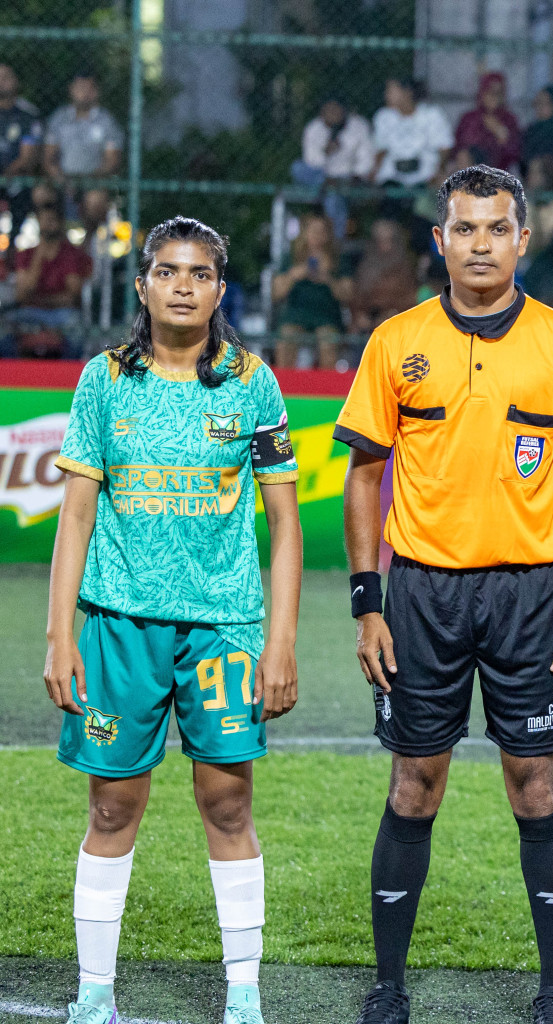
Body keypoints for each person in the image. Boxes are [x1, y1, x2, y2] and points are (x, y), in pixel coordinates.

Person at [335, 165, 553, 1024]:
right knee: (415, 782)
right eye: (465, 228)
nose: (482, 243)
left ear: (523, 239)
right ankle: (389, 986)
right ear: (441, 241)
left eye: (498, 228)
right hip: (421, 594)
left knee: (535, 784)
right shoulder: (397, 341)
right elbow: (365, 473)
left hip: (533, 595)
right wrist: (366, 599)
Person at [42, 216, 301, 1024]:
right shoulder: (104, 381)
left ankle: (244, 995)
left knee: (228, 803)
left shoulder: (252, 381)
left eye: (199, 274)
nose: (182, 286)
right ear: (144, 284)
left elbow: (285, 526)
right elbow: (76, 518)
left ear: (221, 290)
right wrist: (59, 635)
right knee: (112, 807)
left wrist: (282, 641)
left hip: (224, 629)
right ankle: (94, 996)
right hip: (119, 627)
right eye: (167, 271)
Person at [43, 72, 122, 233]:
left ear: (96, 91)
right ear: (71, 90)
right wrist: (62, 180)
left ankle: (88, 245)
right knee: (41, 194)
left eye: (89, 88)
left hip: (93, 183)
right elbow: (48, 158)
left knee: (95, 201)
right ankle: (57, 244)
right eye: (80, 88)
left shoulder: (107, 122)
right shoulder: (59, 119)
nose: (84, 93)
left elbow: (112, 162)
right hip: (61, 181)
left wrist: (86, 181)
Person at [271, 213, 351, 370]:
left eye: (322, 232)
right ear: (304, 233)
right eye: (313, 231)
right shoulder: (291, 258)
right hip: (295, 315)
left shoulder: (338, 260)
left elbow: (348, 295)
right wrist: (295, 274)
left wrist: (328, 279)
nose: (317, 236)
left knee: (328, 340)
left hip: (327, 317)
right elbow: (276, 293)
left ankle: (326, 391)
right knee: (286, 337)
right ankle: (284, 388)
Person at [11, 204, 91, 358]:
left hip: (60, 314)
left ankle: (70, 372)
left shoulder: (70, 255)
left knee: (75, 324)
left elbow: (73, 297)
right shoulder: (26, 254)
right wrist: (39, 256)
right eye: (44, 220)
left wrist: (38, 300)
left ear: (60, 223)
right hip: (30, 312)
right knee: (7, 327)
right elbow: (22, 294)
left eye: (52, 220)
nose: (48, 224)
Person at [292, 98, 374, 238]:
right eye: (329, 111)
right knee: (297, 168)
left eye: (336, 110)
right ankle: (327, 185)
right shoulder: (314, 129)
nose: (333, 114)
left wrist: (355, 175)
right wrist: (327, 152)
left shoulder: (358, 126)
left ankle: (336, 242)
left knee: (333, 196)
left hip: (346, 178)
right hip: (321, 178)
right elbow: (311, 161)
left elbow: (366, 160)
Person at [371, 78, 452, 190]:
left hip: (425, 176)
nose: (386, 95)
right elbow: (381, 149)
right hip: (393, 177)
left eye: (390, 90)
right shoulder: (384, 116)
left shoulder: (432, 114)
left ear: (407, 92)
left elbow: (444, 147)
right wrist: (373, 173)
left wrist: (438, 172)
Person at [348, 218, 419, 338]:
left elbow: (411, 300)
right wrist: (361, 316)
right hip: (368, 324)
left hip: (397, 322)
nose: (386, 246)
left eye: (390, 241)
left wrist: (392, 314)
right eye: (381, 241)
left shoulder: (405, 269)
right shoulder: (366, 268)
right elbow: (357, 299)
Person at [0, 64, 44, 227]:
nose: (1, 81)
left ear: (16, 81)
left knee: (24, 193)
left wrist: (6, 174)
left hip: (17, 178)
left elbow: (27, 158)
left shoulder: (28, 115)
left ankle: (13, 245)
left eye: (6, 77)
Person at [454, 72, 522, 171]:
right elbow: (458, 147)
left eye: (498, 93)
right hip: (470, 169)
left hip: (498, 171)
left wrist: (500, 133)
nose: (494, 97)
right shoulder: (469, 118)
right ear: (482, 93)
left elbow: (515, 153)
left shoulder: (509, 120)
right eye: (490, 91)